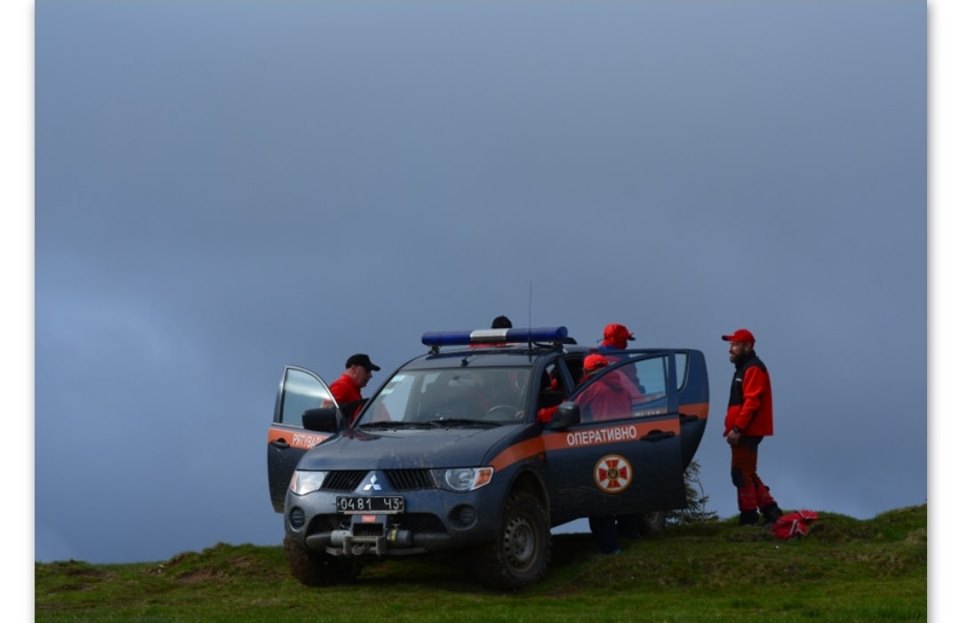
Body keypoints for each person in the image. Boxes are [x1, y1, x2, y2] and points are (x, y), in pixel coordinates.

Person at [574, 354, 637, 554]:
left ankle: (609, 547)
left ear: (586, 371)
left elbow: (571, 407)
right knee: (622, 490)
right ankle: (630, 534)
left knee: (600, 499)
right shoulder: (623, 387)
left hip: (600, 445)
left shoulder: (593, 388)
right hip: (624, 444)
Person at [721, 328, 783, 526]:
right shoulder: (745, 367)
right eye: (730, 345)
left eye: (734, 344)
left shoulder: (753, 368)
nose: (730, 348)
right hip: (745, 430)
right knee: (747, 471)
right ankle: (770, 510)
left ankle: (749, 516)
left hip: (747, 431)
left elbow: (752, 402)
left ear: (747, 346)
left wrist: (737, 428)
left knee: (740, 473)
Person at [328, 353, 381, 423]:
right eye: (367, 370)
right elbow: (327, 410)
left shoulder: (353, 390)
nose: (370, 375)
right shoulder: (341, 386)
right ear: (353, 368)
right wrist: (359, 405)